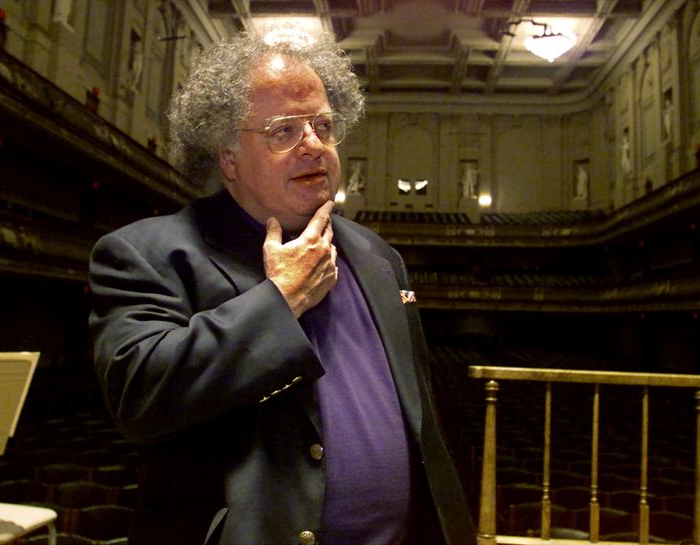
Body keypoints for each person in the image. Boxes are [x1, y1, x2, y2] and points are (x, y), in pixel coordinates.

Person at [89, 26, 476, 545]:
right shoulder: (149, 252)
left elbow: (419, 413)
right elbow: (140, 396)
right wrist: (280, 301)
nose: (313, 145)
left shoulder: (380, 257)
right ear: (227, 157)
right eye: (283, 131)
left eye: (322, 125)